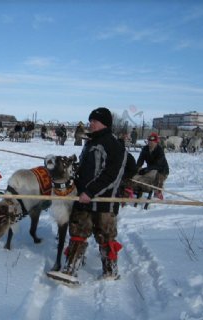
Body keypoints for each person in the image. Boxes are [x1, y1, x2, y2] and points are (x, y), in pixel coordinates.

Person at [62, 107, 126, 280]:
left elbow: (113, 175)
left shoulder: (114, 145)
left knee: (106, 236)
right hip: (83, 199)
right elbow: (84, 170)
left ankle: (110, 271)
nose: (90, 124)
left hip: (104, 202)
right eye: (90, 121)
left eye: (94, 121)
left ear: (104, 123)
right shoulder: (90, 143)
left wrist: (90, 192)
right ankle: (71, 268)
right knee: (77, 232)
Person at [134, 132, 169, 199]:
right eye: (149, 141)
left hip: (162, 170)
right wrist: (138, 168)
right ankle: (139, 188)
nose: (150, 143)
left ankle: (158, 193)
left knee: (157, 178)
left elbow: (158, 164)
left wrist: (146, 169)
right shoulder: (145, 149)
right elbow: (140, 160)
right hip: (151, 168)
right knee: (141, 175)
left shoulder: (160, 150)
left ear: (156, 142)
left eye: (152, 142)